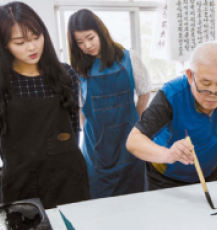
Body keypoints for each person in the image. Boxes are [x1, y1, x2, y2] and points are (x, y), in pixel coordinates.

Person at [126, 42, 217, 190]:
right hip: (165, 179)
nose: (213, 94)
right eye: (205, 84)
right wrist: (168, 154)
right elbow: (134, 141)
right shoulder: (171, 94)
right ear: (189, 75)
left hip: (209, 174)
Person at [0, 1, 89, 208]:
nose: (32, 47)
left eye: (36, 37)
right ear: (5, 44)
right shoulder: (3, 84)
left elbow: (74, 126)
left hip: (68, 177)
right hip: (22, 181)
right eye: (20, 42)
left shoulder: (65, 74)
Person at [67, 9, 150, 198]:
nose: (87, 45)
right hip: (96, 147)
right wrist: (89, 136)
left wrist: (136, 122)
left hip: (128, 141)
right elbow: (80, 109)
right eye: (80, 42)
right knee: (99, 201)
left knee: (135, 197)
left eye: (90, 37)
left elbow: (144, 93)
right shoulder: (78, 68)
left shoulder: (128, 58)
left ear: (100, 32)